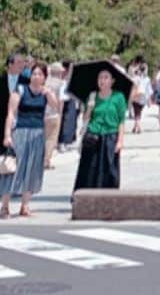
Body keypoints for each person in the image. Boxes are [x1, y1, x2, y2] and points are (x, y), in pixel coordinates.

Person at [2, 62, 60, 217]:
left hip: (38, 133)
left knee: (33, 168)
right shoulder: (20, 91)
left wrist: (49, 94)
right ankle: (5, 205)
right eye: (34, 73)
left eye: (40, 74)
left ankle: (25, 205)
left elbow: (56, 107)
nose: (36, 76)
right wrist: (7, 134)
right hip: (20, 132)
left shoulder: (45, 93)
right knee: (14, 169)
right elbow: (11, 113)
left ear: (44, 77)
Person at [72, 66, 127, 195]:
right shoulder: (92, 96)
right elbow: (85, 117)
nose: (102, 80)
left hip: (110, 135)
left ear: (112, 81)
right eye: (100, 78)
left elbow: (121, 121)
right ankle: (85, 196)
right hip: (93, 135)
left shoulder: (118, 97)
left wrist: (120, 141)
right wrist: (90, 107)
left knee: (110, 169)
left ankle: (108, 197)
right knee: (89, 168)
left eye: (106, 77)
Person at [43, 62, 65, 167]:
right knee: (51, 138)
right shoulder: (61, 84)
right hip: (54, 113)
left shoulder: (45, 82)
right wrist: (60, 113)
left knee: (43, 137)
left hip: (43, 113)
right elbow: (61, 100)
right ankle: (47, 160)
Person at [128, 57, 150, 135]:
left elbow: (132, 88)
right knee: (139, 112)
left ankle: (138, 126)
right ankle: (136, 127)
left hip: (136, 96)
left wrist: (130, 97)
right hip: (143, 97)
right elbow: (149, 90)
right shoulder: (147, 79)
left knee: (136, 112)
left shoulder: (134, 78)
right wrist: (149, 100)